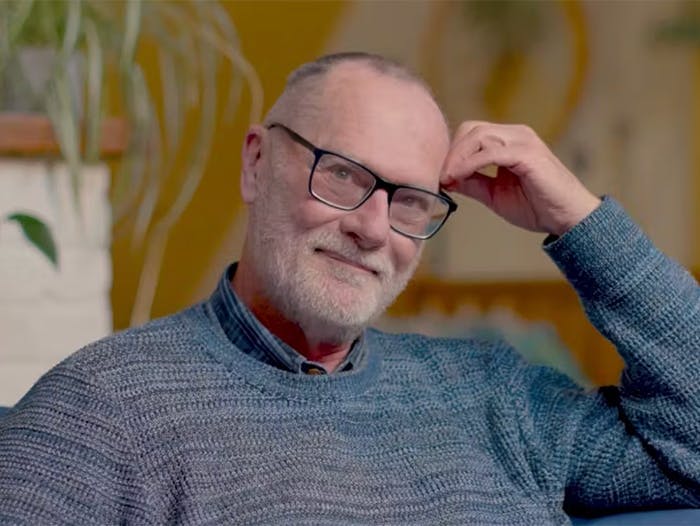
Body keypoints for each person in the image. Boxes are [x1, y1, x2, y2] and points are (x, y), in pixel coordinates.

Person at [0, 52, 698, 525]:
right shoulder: (101, 409)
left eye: (411, 202)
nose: (374, 228)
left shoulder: (495, 394)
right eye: (342, 174)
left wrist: (576, 216)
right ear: (256, 165)